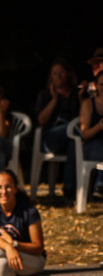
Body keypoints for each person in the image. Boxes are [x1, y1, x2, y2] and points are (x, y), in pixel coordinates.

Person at [34, 59, 81, 202]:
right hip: (51, 138)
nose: (58, 76)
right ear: (51, 77)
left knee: (75, 140)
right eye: (55, 74)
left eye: (61, 73)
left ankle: (69, 191)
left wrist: (82, 97)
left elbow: (84, 115)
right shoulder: (45, 95)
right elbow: (41, 120)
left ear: (68, 75)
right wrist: (54, 100)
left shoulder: (76, 94)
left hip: (73, 137)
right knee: (74, 129)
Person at [78, 68, 103, 200]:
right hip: (91, 145)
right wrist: (99, 126)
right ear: (96, 86)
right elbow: (85, 134)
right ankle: (100, 185)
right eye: (102, 84)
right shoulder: (89, 104)